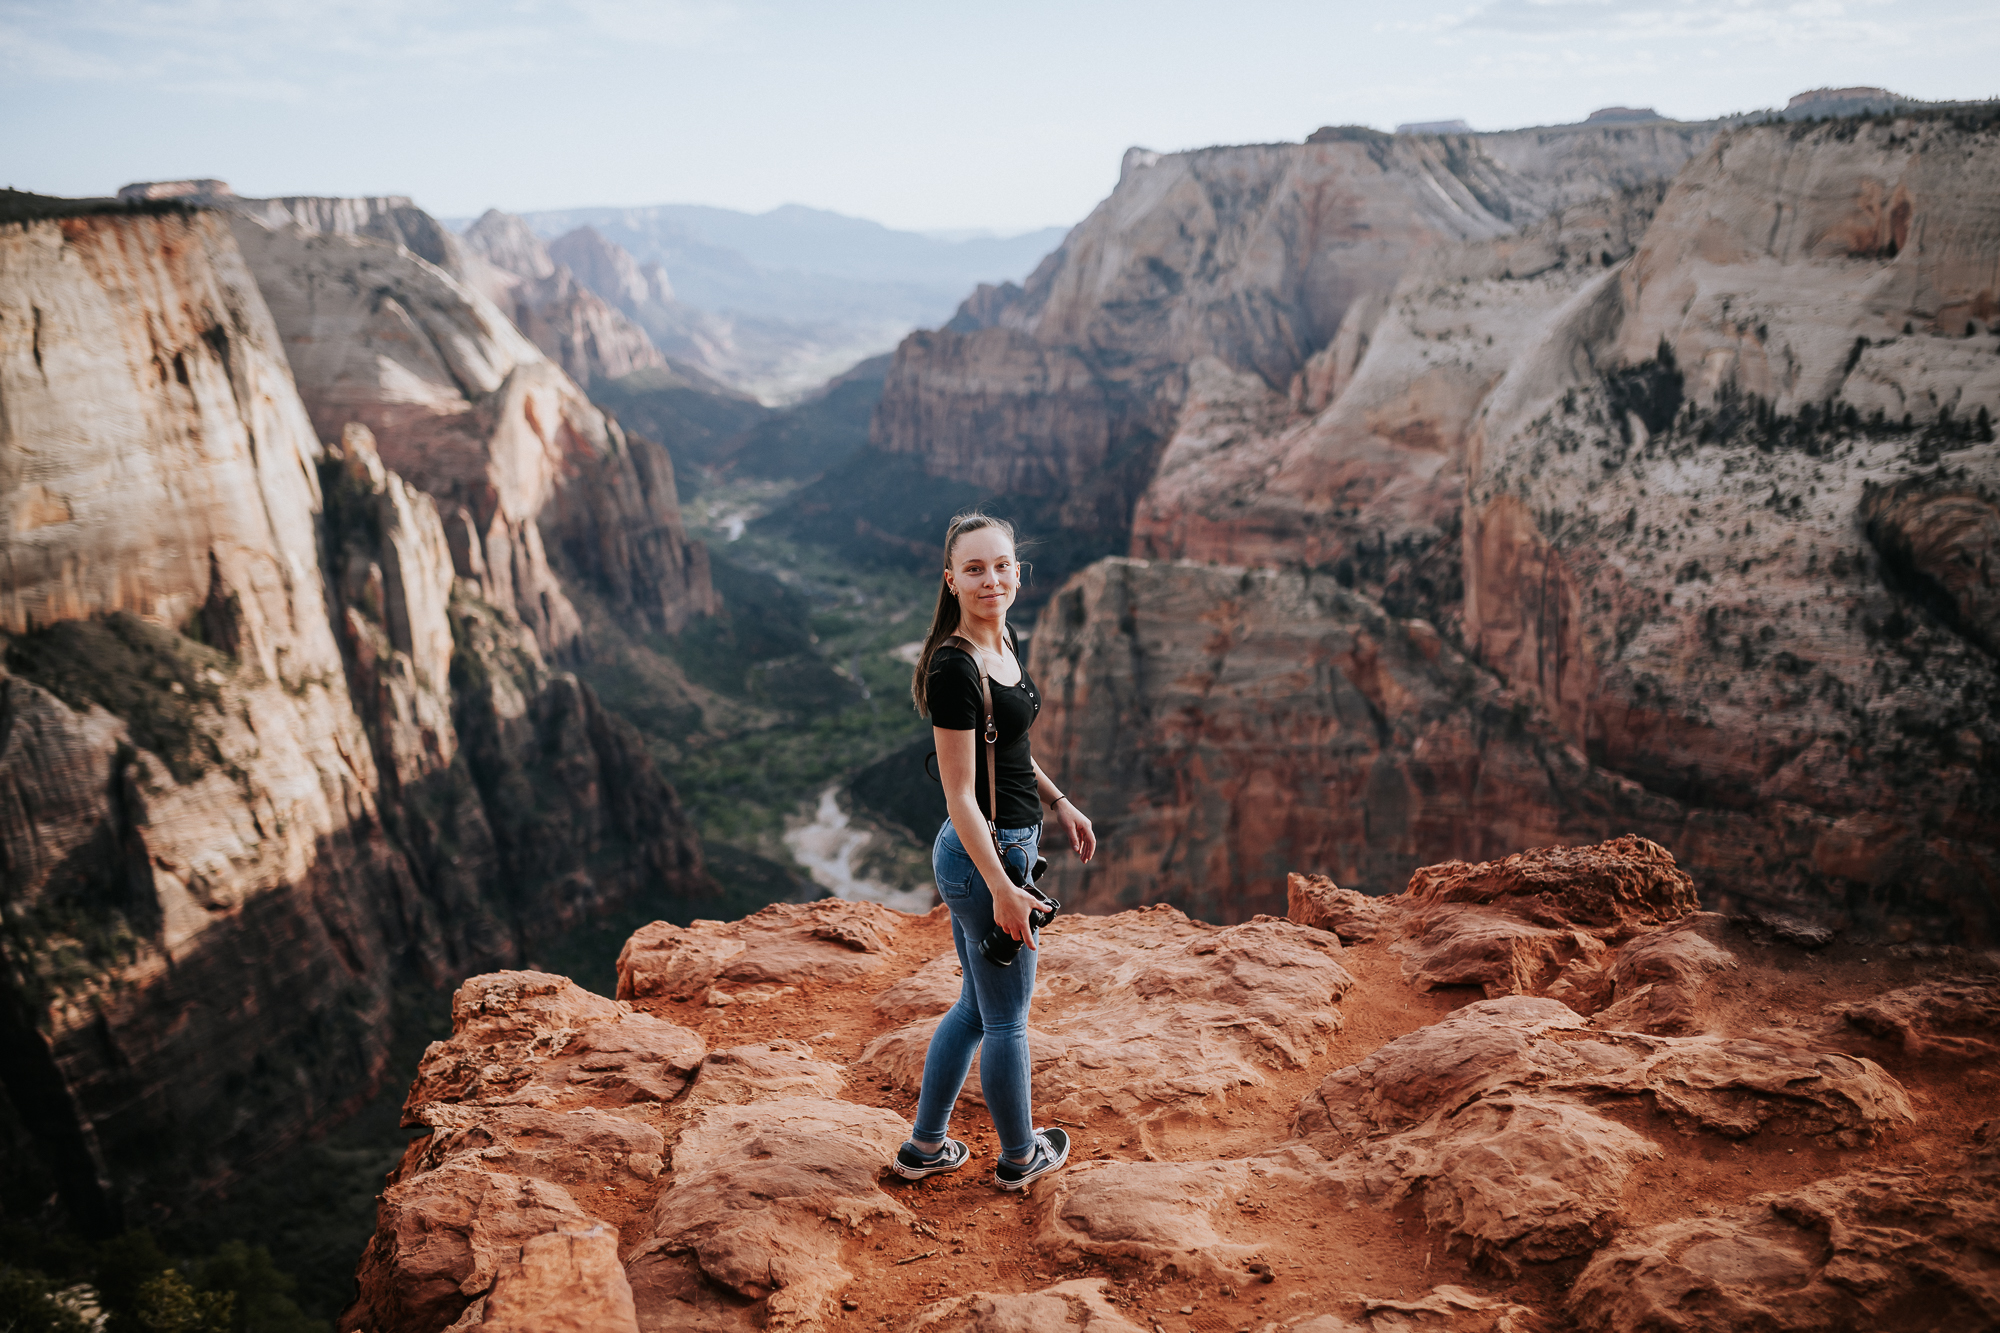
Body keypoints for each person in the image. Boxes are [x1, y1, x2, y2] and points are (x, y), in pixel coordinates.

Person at [892, 512, 1096, 1191]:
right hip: (987, 857)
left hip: (998, 850)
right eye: (975, 568)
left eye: (1002, 565)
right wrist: (1005, 889)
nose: (992, 578)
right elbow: (959, 794)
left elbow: (1008, 750)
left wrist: (1060, 801)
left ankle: (925, 1145)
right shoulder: (956, 666)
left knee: (976, 1008)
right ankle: (1019, 1156)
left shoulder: (1001, 640)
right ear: (951, 579)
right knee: (1007, 1016)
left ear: (1018, 572)